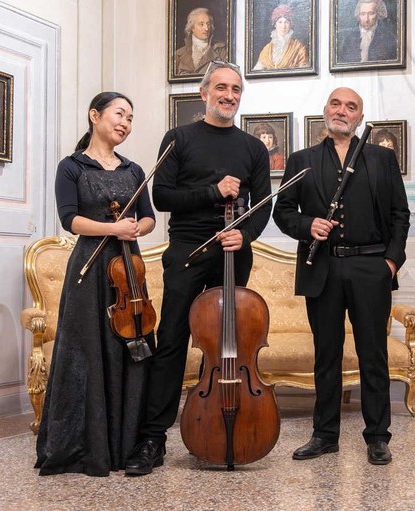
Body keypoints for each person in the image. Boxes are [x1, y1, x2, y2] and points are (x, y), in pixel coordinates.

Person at [124, 61, 272, 475]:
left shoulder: (253, 148)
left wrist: (245, 235)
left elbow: (263, 205)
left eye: (236, 89)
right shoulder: (179, 138)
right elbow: (163, 197)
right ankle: (153, 438)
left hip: (233, 252)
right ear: (204, 93)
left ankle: (217, 427)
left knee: (227, 347)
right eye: (221, 87)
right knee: (172, 340)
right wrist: (213, 191)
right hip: (188, 250)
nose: (229, 95)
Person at [273, 87, 410, 465]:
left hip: (371, 267)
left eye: (351, 107)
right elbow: (283, 212)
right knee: (327, 355)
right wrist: (307, 225)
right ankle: (324, 435)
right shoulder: (302, 160)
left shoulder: (382, 158)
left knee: (373, 355)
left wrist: (390, 262)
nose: (342, 111)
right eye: (336, 104)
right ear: (325, 111)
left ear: (359, 118)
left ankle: (378, 436)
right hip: (324, 268)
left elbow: (400, 215)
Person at [35, 92, 156, 476]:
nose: (125, 123)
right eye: (120, 114)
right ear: (94, 115)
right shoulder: (72, 167)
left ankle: (129, 444)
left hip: (128, 268)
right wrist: (112, 229)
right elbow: (69, 219)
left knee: (130, 347)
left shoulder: (134, 170)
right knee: (86, 349)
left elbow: (149, 217)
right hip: (89, 268)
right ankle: (87, 447)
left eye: (130, 118)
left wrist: (135, 228)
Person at [253, 4, 309, 70]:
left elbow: (305, 71)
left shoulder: (298, 47)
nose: (283, 26)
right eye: (280, 22)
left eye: (286, 22)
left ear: (290, 24)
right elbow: (257, 71)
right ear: (275, 25)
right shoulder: (266, 49)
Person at [174, 7, 227, 76]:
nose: (206, 28)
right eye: (201, 24)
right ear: (192, 27)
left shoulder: (221, 50)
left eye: (208, 24)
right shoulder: (178, 54)